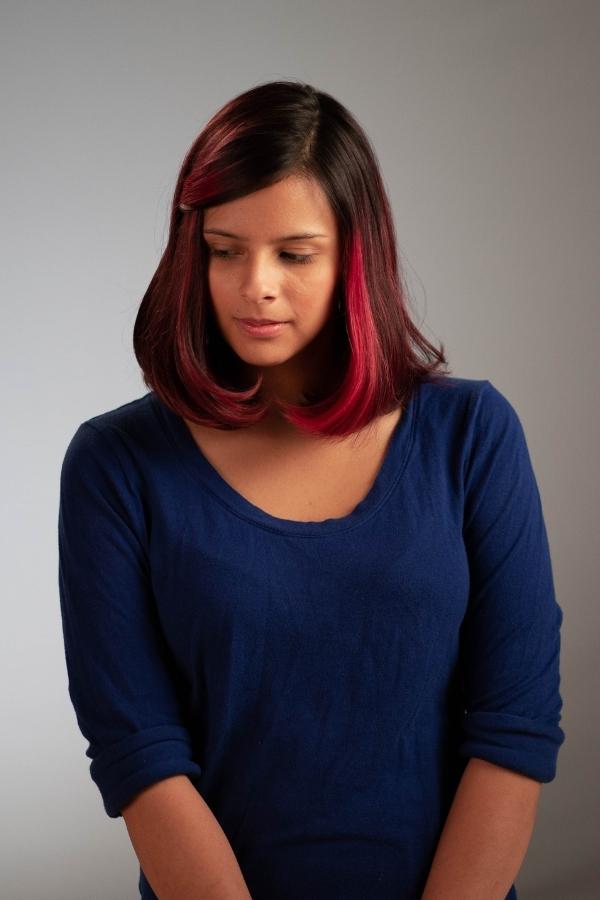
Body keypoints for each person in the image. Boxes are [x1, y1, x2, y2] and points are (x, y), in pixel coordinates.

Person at [57, 80, 565, 900]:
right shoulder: (116, 466)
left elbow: (514, 726)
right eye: (225, 249)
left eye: (294, 254)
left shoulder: (472, 434)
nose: (256, 284)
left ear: (354, 256)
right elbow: (137, 752)